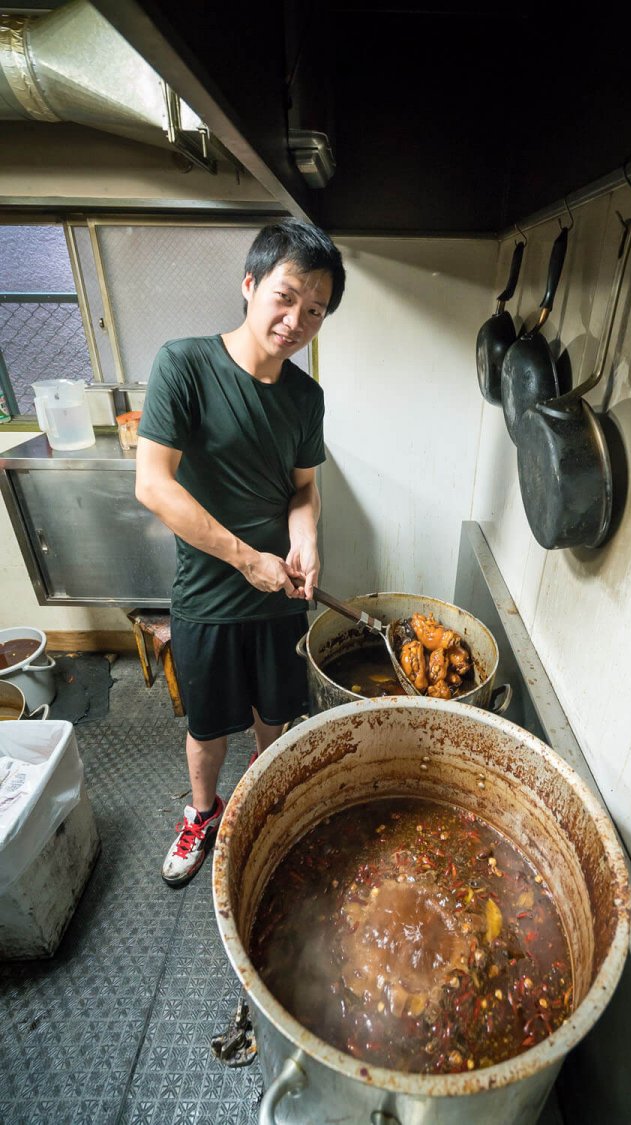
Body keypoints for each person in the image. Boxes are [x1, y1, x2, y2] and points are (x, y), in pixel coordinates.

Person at [135, 217, 346, 887]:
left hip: (281, 596)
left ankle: (264, 802)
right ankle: (203, 813)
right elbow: (152, 484)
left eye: (315, 309)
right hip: (207, 596)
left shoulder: (305, 396)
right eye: (286, 296)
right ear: (250, 284)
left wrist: (304, 539)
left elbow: (304, 488)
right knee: (206, 724)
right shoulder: (185, 364)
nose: (297, 319)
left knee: (274, 716)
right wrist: (243, 557)